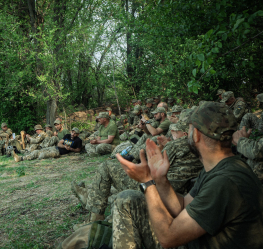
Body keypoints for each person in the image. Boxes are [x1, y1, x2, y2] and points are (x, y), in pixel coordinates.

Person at [113, 101, 263, 248]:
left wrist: (147, 182)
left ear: (196, 134)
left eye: (189, 130)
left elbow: (168, 238)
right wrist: (159, 179)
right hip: (195, 239)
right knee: (128, 199)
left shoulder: (225, 182)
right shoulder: (221, 167)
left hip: (183, 240)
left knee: (124, 199)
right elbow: (184, 205)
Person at [72, 119, 203, 227]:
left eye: (175, 132)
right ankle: (89, 195)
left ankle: (93, 221)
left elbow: (155, 164)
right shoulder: (200, 148)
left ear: (186, 134)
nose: (171, 134)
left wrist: (163, 147)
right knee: (113, 193)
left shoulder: (178, 144)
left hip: (156, 189)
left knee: (106, 166)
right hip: (176, 193)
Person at [13, 127, 82, 161]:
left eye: (74, 133)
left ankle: (31, 157)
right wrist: (64, 146)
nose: (73, 134)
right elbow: (59, 144)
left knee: (42, 155)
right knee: (38, 151)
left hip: (59, 153)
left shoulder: (78, 140)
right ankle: (21, 158)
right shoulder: (67, 136)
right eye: (72, 132)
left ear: (77, 134)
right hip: (55, 148)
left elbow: (78, 150)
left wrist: (70, 149)